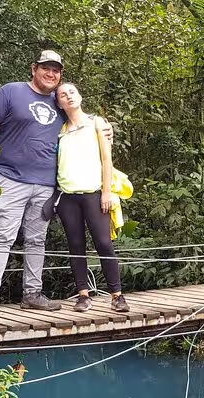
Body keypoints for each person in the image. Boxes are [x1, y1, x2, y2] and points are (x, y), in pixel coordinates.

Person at [0, 50, 111, 317]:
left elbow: (80, 121)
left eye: (56, 70)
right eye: (46, 68)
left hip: (46, 184)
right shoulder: (12, 91)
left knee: (36, 240)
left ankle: (32, 294)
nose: (51, 74)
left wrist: (105, 128)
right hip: (9, 178)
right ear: (34, 68)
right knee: (2, 236)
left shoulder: (59, 103)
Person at [54, 82, 130, 313]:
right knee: (75, 245)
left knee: (104, 243)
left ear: (80, 95)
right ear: (58, 103)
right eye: (62, 95)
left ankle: (117, 295)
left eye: (72, 92)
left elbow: (107, 160)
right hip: (67, 196)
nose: (68, 96)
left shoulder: (97, 123)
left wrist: (106, 191)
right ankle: (83, 295)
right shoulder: (59, 130)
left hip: (94, 193)